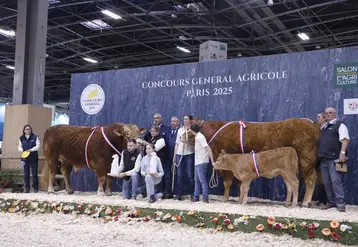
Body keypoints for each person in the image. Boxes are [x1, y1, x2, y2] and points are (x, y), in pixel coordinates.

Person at [318, 107, 350, 212]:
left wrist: (343, 153)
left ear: (335, 113)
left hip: (335, 158)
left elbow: (345, 139)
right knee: (327, 182)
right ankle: (331, 202)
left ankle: (340, 203)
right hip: (324, 158)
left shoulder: (340, 125)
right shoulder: (324, 126)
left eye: (330, 112)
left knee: (336, 181)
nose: (328, 114)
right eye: (326, 113)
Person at [189, 123, 214, 203]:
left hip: (202, 161)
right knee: (197, 180)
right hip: (197, 162)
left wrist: (212, 161)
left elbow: (208, 148)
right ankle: (196, 196)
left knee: (202, 180)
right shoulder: (198, 137)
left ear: (192, 130)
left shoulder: (200, 137)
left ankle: (205, 197)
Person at [173, 115, 195, 200]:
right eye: (184, 119)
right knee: (179, 175)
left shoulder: (193, 130)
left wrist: (188, 140)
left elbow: (194, 142)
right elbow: (177, 143)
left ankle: (192, 194)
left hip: (189, 153)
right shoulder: (180, 130)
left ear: (190, 120)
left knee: (190, 175)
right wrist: (174, 156)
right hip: (179, 154)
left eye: (186, 119)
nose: (185, 120)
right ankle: (179, 194)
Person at [18, 124, 40, 193]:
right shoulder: (21, 138)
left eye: (29, 129)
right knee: (26, 173)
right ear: (24, 130)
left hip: (34, 158)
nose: (28, 130)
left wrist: (31, 150)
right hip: (25, 158)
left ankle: (35, 188)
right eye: (27, 129)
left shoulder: (35, 137)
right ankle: (27, 188)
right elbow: (19, 147)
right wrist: (21, 150)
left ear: (31, 130)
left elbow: (38, 146)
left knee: (34, 173)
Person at [165, 116, 180, 198]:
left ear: (178, 122)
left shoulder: (180, 131)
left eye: (174, 121)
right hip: (168, 155)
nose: (172, 123)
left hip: (177, 155)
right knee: (168, 174)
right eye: (171, 121)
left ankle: (177, 192)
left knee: (177, 174)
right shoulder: (168, 131)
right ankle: (169, 192)